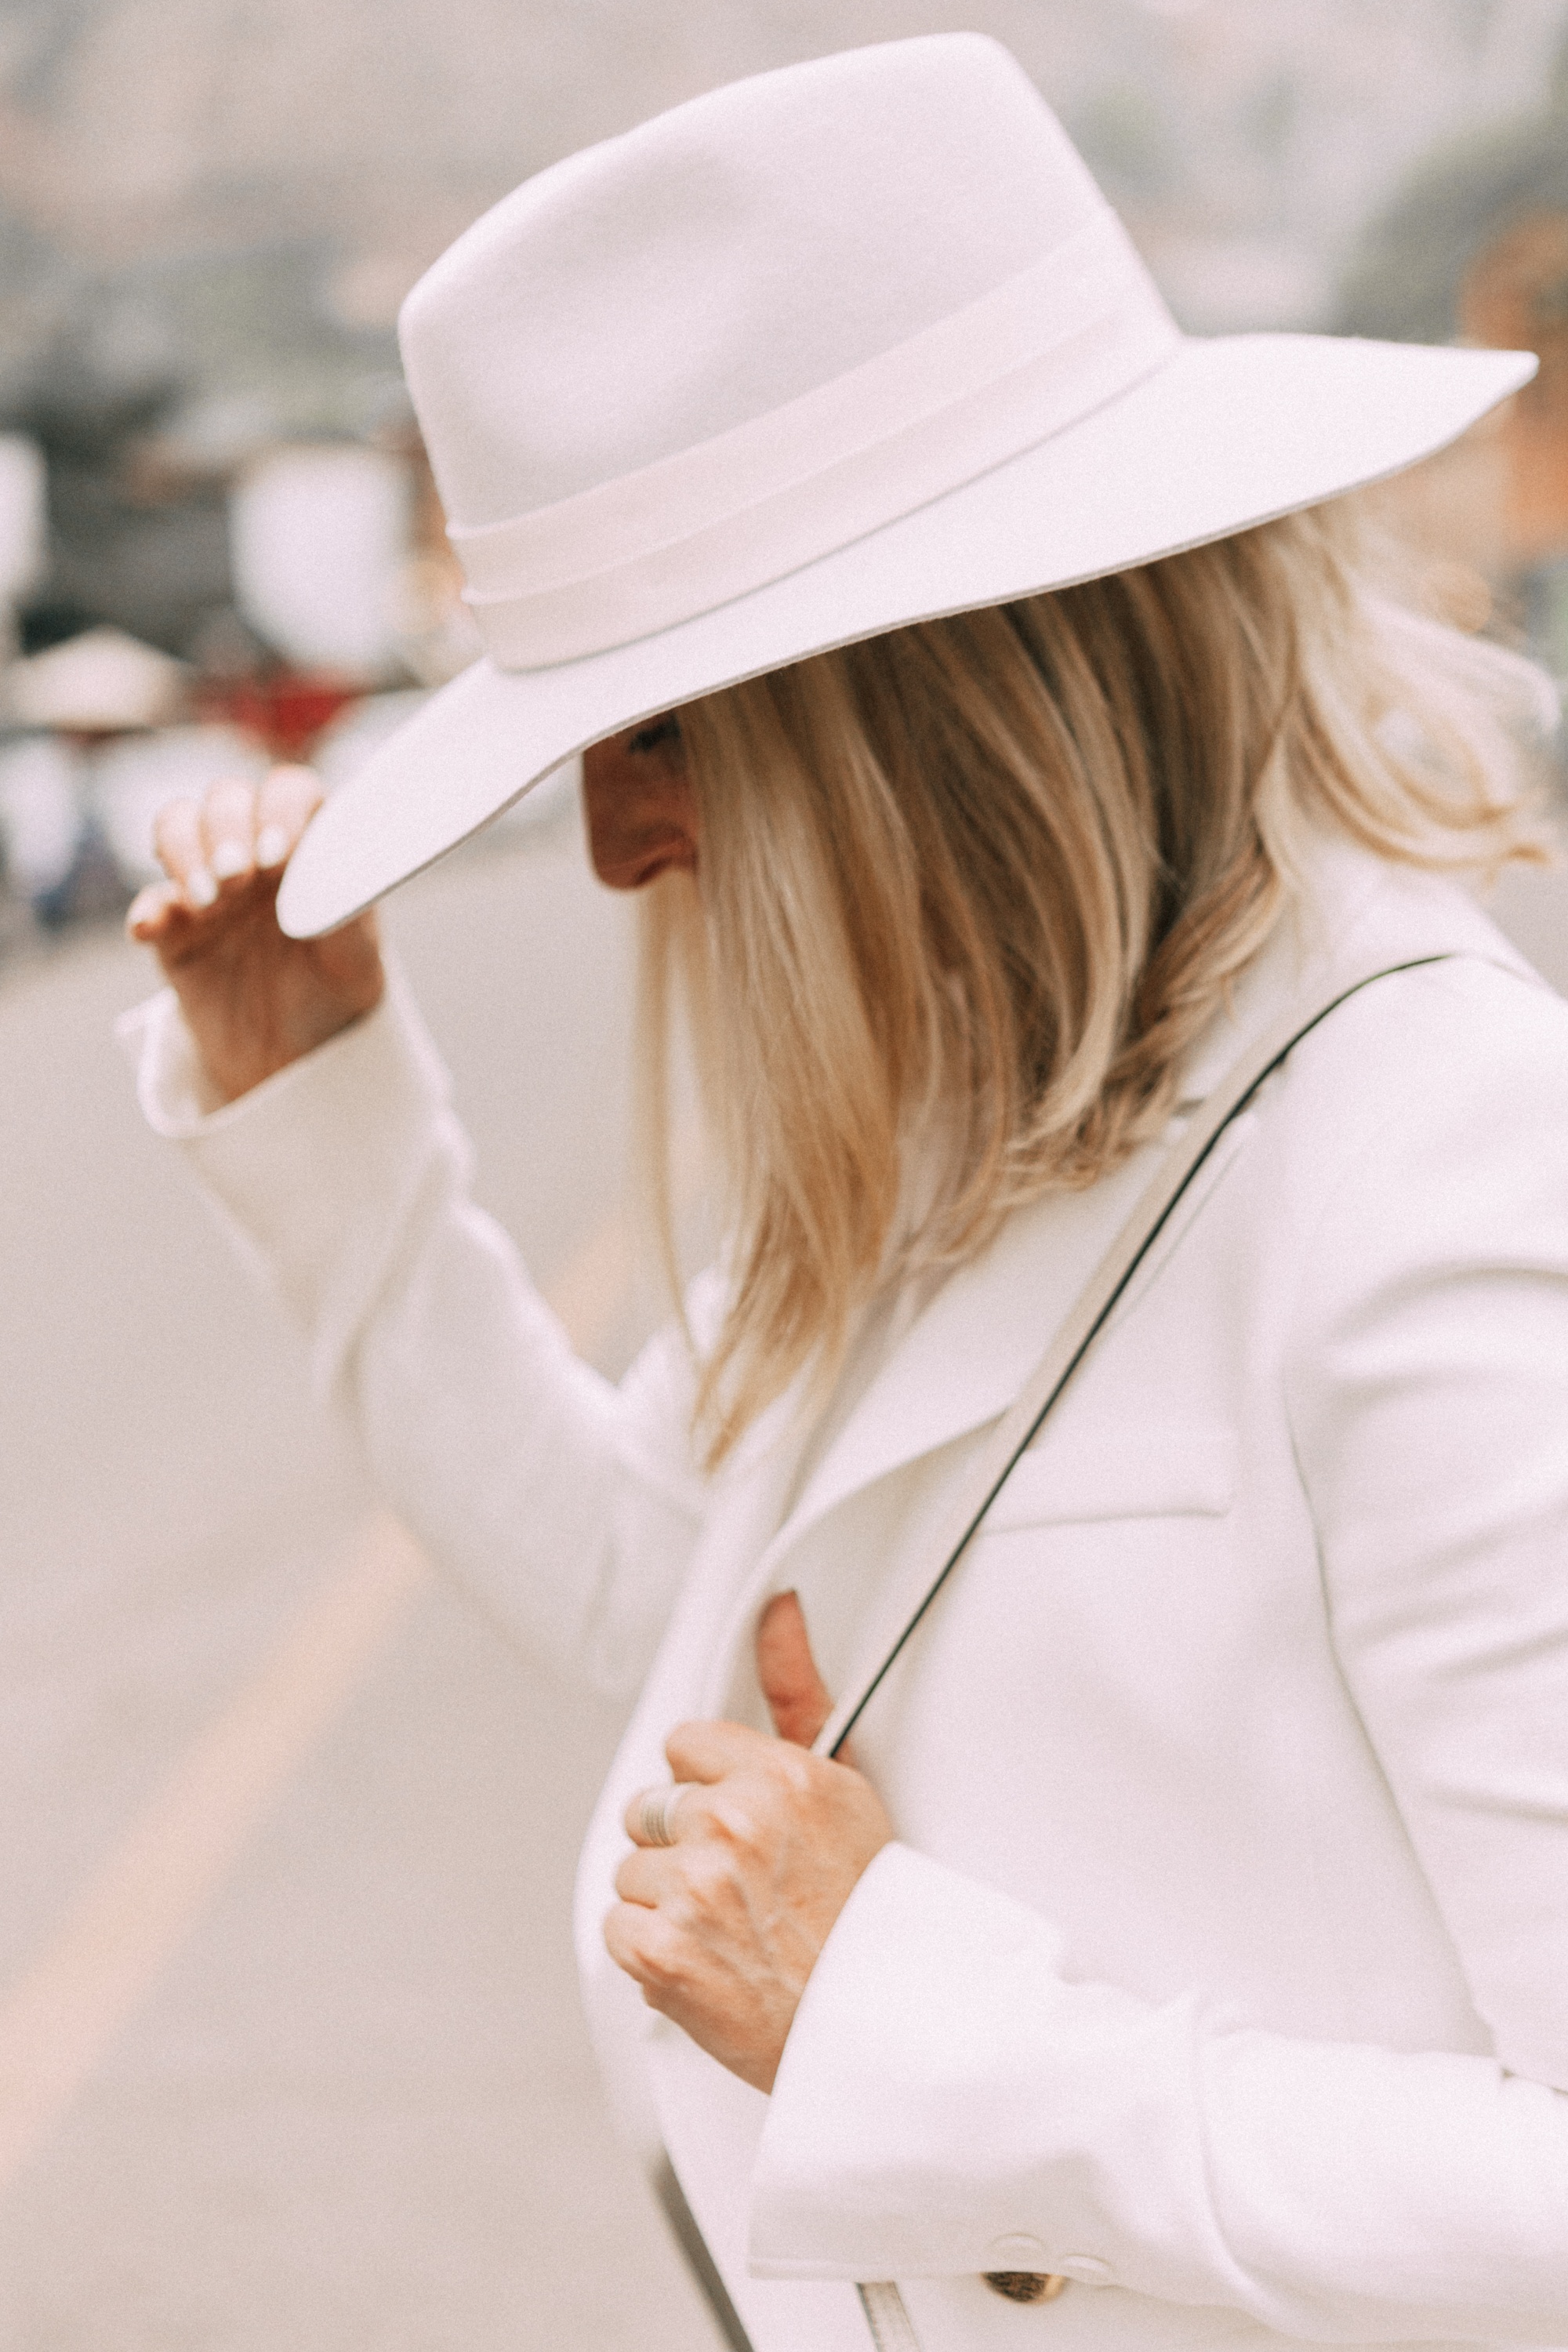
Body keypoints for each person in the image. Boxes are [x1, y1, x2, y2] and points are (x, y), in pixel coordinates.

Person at [124, 36, 1568, 2352]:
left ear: (935, 700)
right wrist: (317, 1098)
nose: (614, 848)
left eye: (659, 729)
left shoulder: (1434, 1161)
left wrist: (911, 2029)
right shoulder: (969, 1116)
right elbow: (649, 1578)